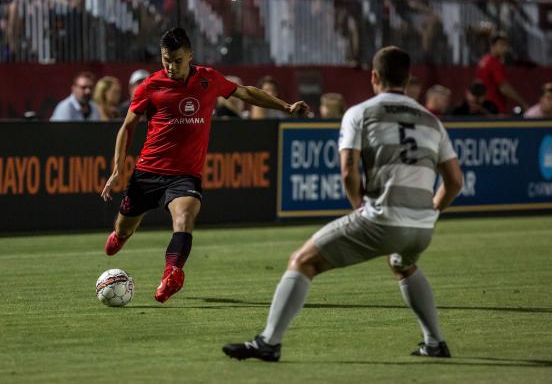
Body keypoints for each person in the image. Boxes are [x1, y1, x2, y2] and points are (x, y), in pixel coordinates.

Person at [223, 46, 463, 362]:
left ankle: (269, 342)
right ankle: (434, 343)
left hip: (383, 217)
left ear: (374, 76)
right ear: (407, 79)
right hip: (422, 226)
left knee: (302, 261)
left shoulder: (360, 112)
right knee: (403, 264)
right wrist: (432, 209)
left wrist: (359, 208)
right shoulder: (432, 121)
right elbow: (455, 181)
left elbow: (348, 170)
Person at [100, 28, 308, 304]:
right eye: (165, 60)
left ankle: (172, 273)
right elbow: (127, 127)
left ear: (189, 56)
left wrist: (286, 107)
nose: (171, 66)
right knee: (124, 228)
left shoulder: (208, 79)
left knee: (184, 218)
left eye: (177, 60)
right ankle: (121, 234)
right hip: (148, 172)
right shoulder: (151, 86)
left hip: (185, 175)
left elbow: (245, 93)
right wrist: (117, 168)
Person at [475, 32, 528, 115]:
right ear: (493, 46)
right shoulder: (494, 63)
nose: (505, 48)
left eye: (506, 45)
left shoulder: (483, 61)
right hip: (495, 109)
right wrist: (522, 102)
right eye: (501, 45)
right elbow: (503, 88)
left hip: (484, 109)